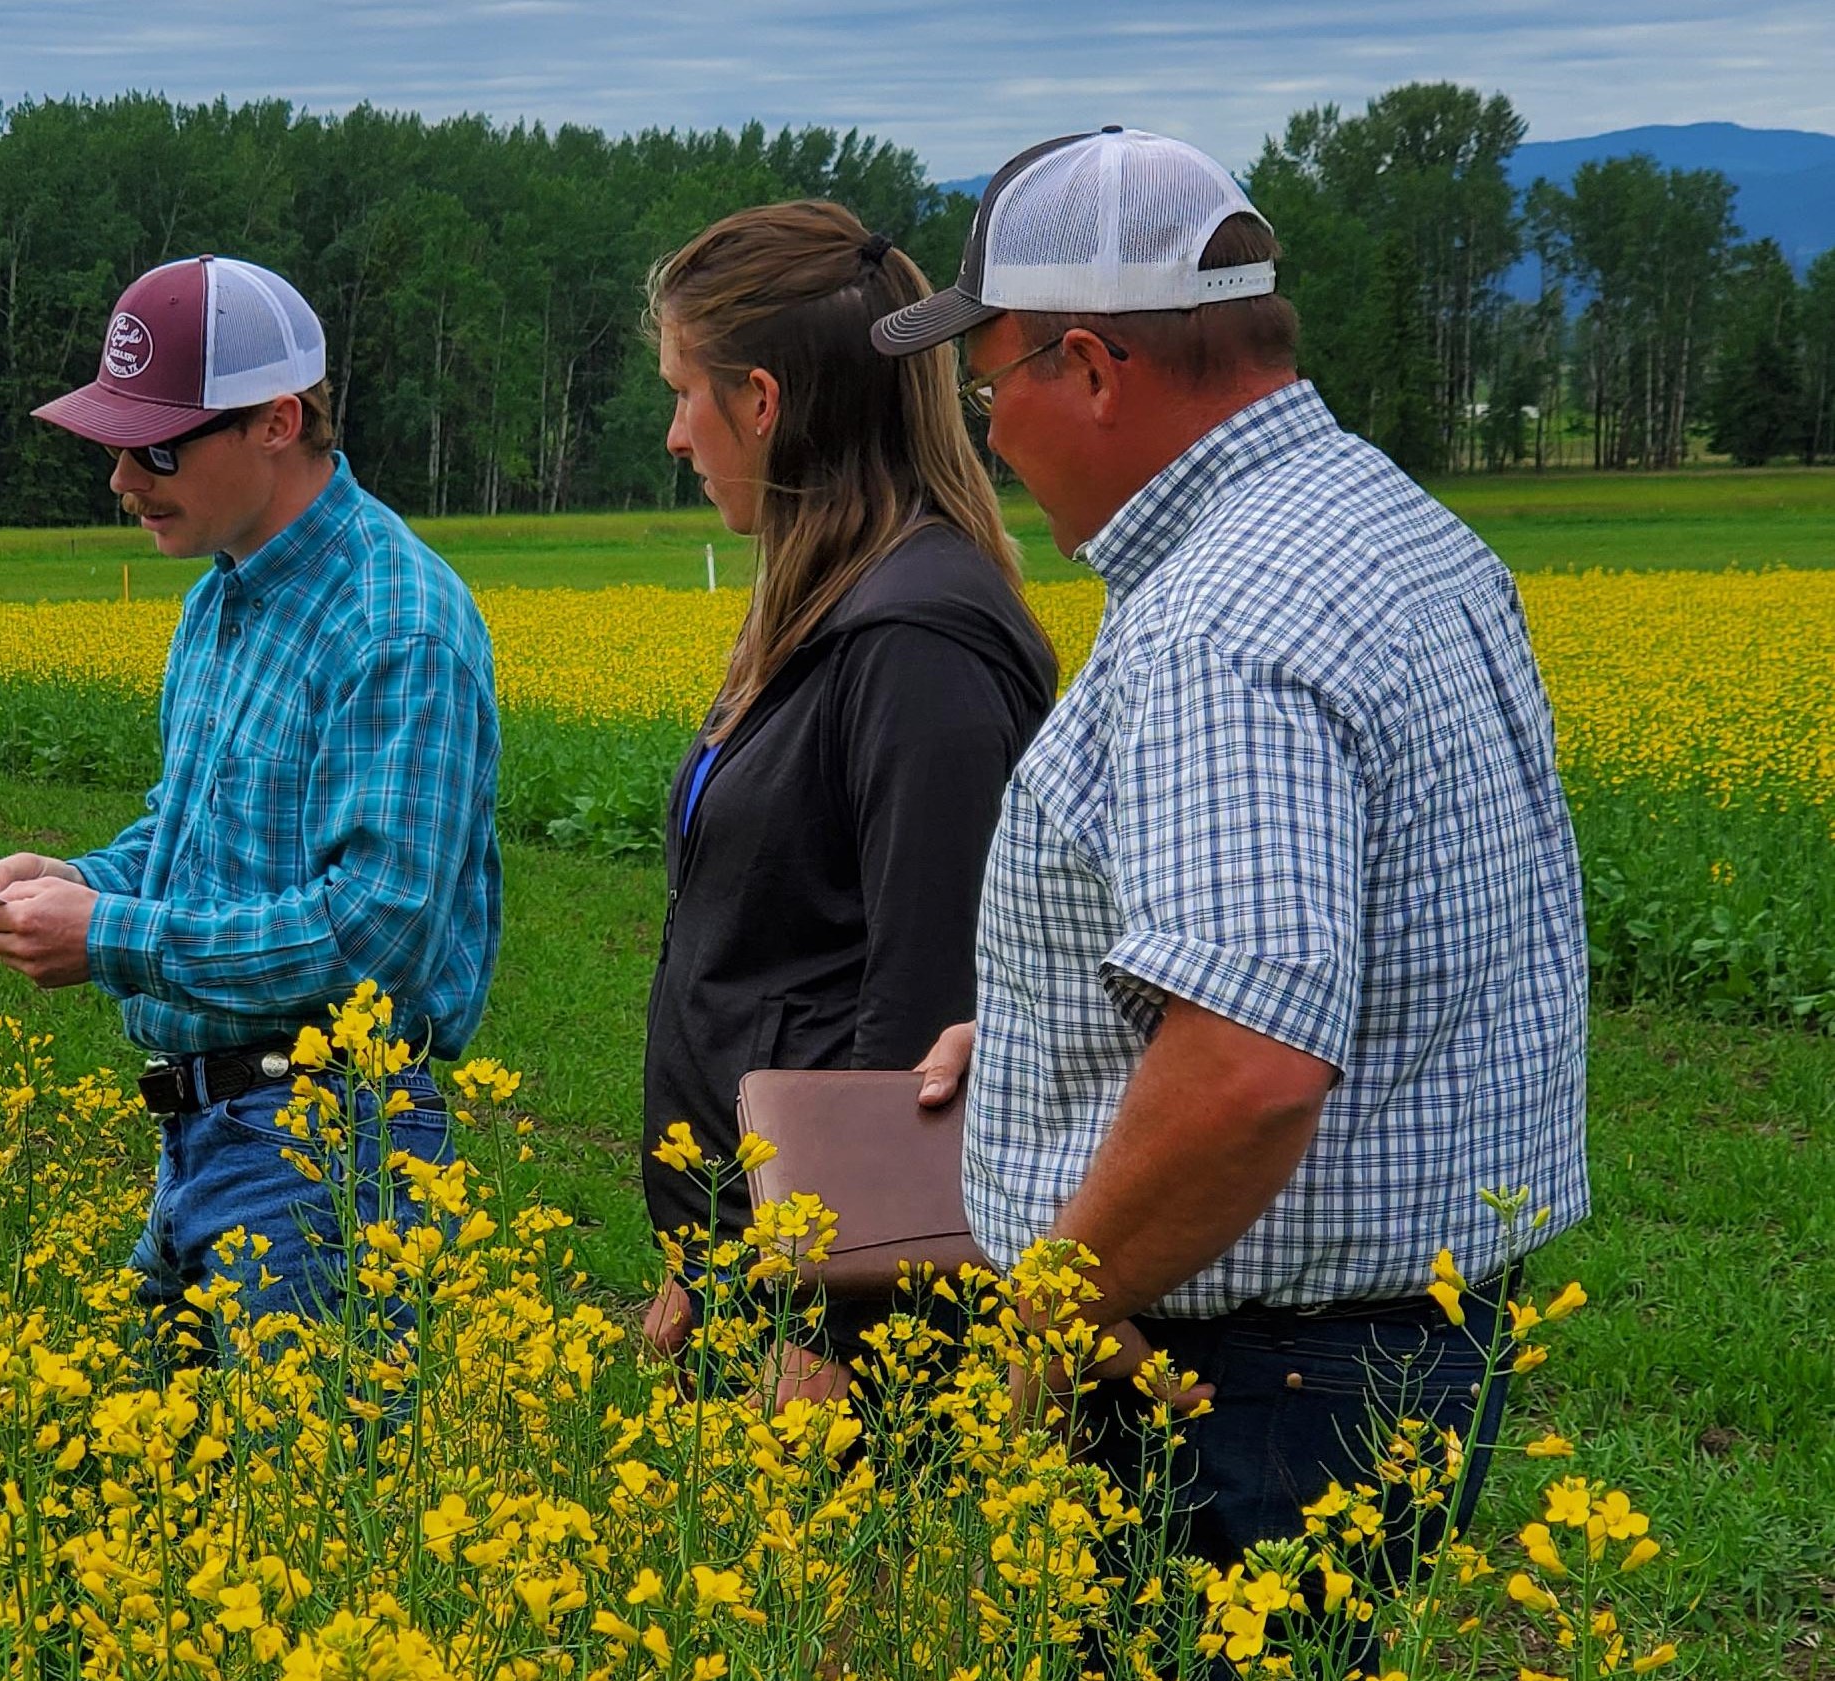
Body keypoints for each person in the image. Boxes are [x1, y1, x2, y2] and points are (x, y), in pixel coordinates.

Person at [875, 128, 1588, 1571]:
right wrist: (1044, 1027)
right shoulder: (1395, 531)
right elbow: (1371, 952)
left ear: (1089, 366)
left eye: (991, 379)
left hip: (1234, 1396)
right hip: (1360, 1357)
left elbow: (1251, 1069)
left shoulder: (1225, 623)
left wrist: (1044, 1331)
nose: (991, 434)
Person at [0, 254, 501, 1362]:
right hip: (208, 1133)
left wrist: (109, 935)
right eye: (115, 441)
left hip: (322, 1155)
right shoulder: (223, 599)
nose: (121, 478)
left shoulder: (393, 623)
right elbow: (192, 829)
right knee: (160, 1507)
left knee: (302, 1517)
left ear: (277, 422)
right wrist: (83, 881)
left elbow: (374, 931)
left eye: (156, 446)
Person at [638, 202, 1060, 1405]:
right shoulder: (833, 604)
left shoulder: (916, 638)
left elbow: (932, 1004)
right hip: (763, 1270)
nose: (676, 433)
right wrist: (712, 1250)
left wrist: (839, 1328)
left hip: (852, 1327)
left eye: (685, 393)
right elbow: (776, 954)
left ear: (762, 401)